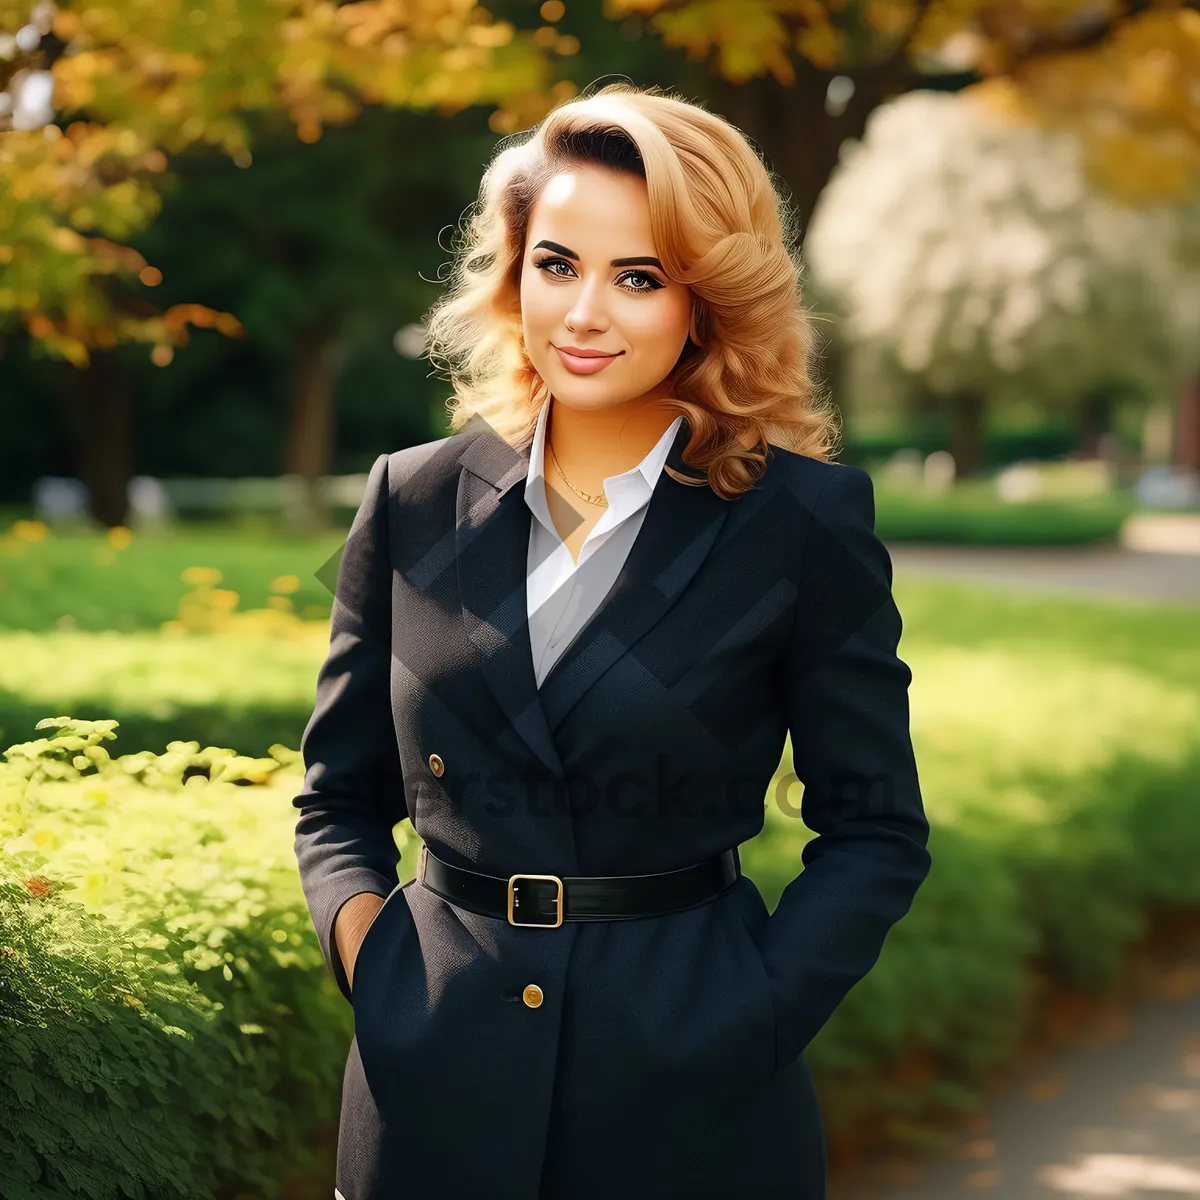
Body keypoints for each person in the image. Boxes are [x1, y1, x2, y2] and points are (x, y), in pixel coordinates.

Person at [293, 81, 931, 1200]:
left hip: (693, 1098)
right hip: (429, 1085)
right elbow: (337, 793)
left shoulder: (801, 524)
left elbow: (876, 827)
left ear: (708, 299)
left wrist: (755, 1008)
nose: (584, 312)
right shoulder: (410, 496)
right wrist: (372, 954)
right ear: (513, 272)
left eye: (638, 277)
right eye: (557, 263)